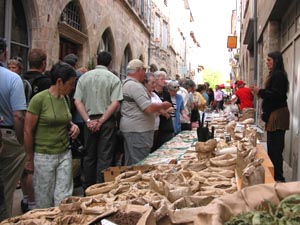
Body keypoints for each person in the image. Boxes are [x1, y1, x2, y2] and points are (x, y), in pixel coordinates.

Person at [24, 62, 80, 208]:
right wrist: (29, 158)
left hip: (64, 153)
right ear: (60, 81)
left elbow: (67, 120)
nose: (72, 87)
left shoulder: (65, 99)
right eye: (70, 83)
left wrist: (73, 126)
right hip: (44, 155)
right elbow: (28, 130)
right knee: (44, 199)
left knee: (64, 196)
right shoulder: (39, 100)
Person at [74, 51, 123, 187]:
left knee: (89, 156)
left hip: (89, 120)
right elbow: (115, 103)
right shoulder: (113, 79)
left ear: (97, 61)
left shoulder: (84, 78)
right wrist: (101, 121)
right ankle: (101, 188)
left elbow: (77, 101)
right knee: (105, 156)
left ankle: (87, 187)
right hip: (106, 121)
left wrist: (88, 121)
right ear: (110, 63)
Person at [120, 59, 171, 165]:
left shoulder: (128, 83)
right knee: (139, 164)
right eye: (144, 70)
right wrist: (163, 105)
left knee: (132, 163)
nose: (145, 74)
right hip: (138, 131)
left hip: (135, 129)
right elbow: (147, 107)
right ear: (139, 70)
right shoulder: (134, 86)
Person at [251, 51, 290, 182]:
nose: (267, 63)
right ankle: (275, 177)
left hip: (278, 116)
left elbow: (277, 95)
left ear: (276, 61)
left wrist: (260, 91)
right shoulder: (275, 75)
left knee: (276, 149)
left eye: (269, 60)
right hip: (274, 115)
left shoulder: (279, 75)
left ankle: (279, 179)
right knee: (273, 149)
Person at [0, 38, 27, 220]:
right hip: (7, 136)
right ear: (4, 53)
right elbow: (18, 115)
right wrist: (21, 141)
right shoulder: (12, 79)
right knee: (5, 189)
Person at [153, 70, 174, 149]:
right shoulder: (153, 92)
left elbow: (171, 107)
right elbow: (154, 109)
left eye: (164, 79)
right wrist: (164, 112)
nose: (164, 81)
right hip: (157, 125)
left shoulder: (165, 91)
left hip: (167, 124)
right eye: (162, 79)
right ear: (156, 80)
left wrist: (164, 111)